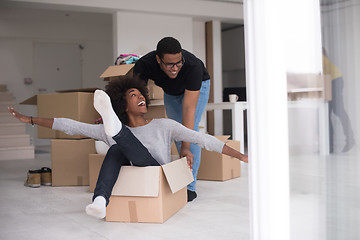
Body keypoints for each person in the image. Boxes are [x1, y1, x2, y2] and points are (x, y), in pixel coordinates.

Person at [9, 75, 248, 220]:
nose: (142, 97)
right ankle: (101, 202)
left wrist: (240, 155)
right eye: (134, 95)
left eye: (141, 94)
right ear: (123, 104)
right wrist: (30, 120)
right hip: (130, 168)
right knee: (116, 148)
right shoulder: (106, 131)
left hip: (158, 176)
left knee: (116, 141)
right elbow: (70, 126)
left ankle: (116, 130)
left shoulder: (164, 125)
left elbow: (203, 139)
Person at [133, 36, 210, 201]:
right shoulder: (144, 65)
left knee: (190, 131)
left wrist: (186, 147)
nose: (175, 68)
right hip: (171, 91)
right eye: (169, 64)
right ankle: (180, 179)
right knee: (176, 132)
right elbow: (134, 97)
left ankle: (189, 187)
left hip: (198, 86)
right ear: (158, 60)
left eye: (178, 62)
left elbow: (189, 108)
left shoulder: (192, 66)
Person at [322, 48, 355, 153]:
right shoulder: (323, 59)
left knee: (336, 111)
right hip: (333, 80)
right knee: (331, 112)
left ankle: (348, 139)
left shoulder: (321, 59)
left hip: (334, 81)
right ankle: (330, 146)